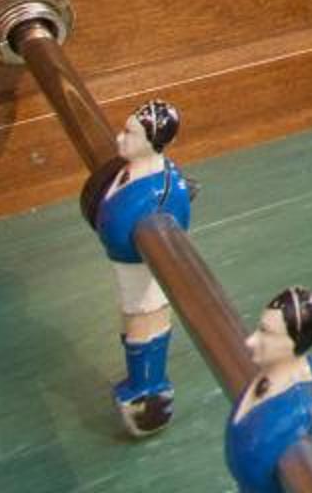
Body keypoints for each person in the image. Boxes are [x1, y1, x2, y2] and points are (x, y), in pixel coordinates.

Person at [91, 97, 192, 435]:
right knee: (132, 320)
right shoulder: (129, 171)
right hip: (125, 263)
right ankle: (140, 380)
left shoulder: (162, 192)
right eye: (124, 130)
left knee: (145, 321)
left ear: (153, 142)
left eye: (130, 134)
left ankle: (149, 388)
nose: (120, 139)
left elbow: (175, 225)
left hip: (144, 269)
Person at [221, 287, 312, 491]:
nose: (250, 341)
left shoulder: (305, 414)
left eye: (267, 333)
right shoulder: (267, 377)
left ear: (297, 342)